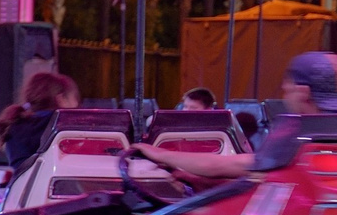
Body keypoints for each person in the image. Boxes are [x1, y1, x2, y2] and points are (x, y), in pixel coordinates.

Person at [141, 52, 337, 178]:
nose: (284, 92)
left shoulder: (299, 131)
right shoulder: (327, 129)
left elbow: (222, 166)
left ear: (303, 92)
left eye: (287, 87)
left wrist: (161, 154)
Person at [0, 71, 81, 170]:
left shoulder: (14, 126)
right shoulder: (67, 128)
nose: (77, 104)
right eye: (74, 98)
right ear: (61, 99)